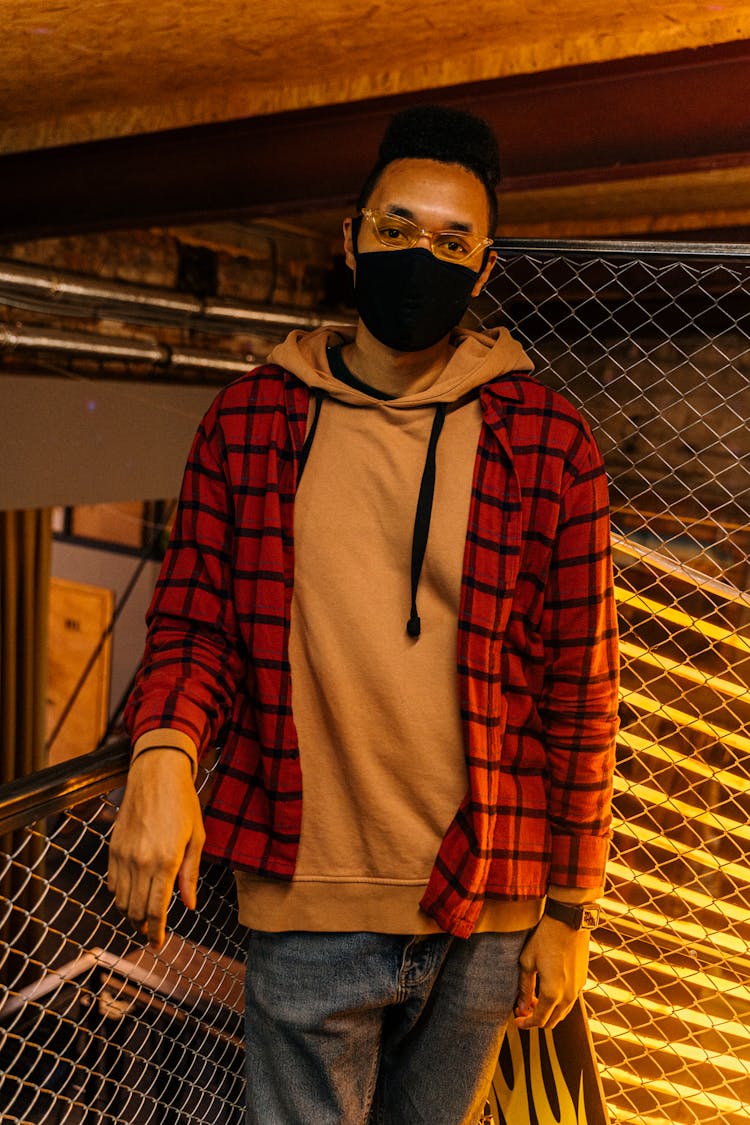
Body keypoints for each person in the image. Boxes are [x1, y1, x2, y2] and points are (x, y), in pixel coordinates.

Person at [108, 104, 619, 1125]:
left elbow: (580, 686)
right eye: (395, 230)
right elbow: (196, 618)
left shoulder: (550, 442)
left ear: (481, 268)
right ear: (350, 238)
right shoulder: (254, 418)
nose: (418, 257)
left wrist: (570, 912)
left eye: (449, 241)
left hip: (489, 907)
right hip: (309, 903)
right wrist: (162, 754)